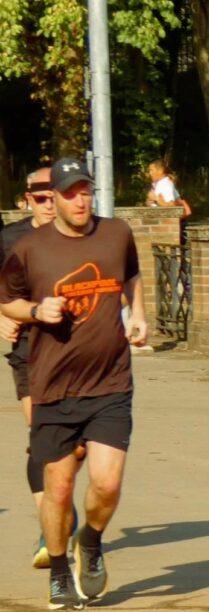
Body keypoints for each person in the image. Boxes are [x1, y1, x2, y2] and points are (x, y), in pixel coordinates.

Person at [0, 157, 148, 610]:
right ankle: (60, 571)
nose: (80, 199)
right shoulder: (29, 248)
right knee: (59, 488)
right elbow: (8, 301)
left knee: (106, 484)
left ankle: (92, 540)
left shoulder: (116, 233)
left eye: (85, 190)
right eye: (69, 193)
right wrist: (34, 312)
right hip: (52, 386)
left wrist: (137, 312)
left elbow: (132, 275)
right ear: (54, 199)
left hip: (110, 382)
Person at [0, 167, 81, 569]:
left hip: (77, 350)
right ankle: (51, 528)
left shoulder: (88, 237)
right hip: (29, 351)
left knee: (76, 448)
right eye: (41, 197)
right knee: (42, 439)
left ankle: (62, 507)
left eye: (56, 196)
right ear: (27, 200)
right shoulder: (11, 239)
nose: (50, 204)